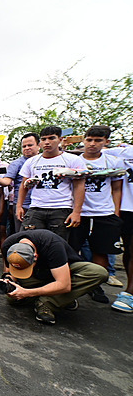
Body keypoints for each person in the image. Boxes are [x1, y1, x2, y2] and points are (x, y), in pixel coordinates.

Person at [0, 229, 108, 325]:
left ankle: (48, 302)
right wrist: (8, 280)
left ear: (35, 256)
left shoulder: (52, 244)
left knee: (98, 273)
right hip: (39, 273)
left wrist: (27, 293)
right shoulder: (8, 245)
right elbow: (10, 271)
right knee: (13, 298)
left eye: (25, 269)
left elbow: (64, 285)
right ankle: (63, 297)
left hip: (64, 271)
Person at [68, 126, 124, 303]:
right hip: (78, 212)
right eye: (89, 139)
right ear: (83, 140)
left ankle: (95, 286)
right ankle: (70, 287)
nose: (92, 144)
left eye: (98, 140)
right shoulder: (74, 161)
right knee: (71, 250)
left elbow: (117, 188)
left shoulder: (113, 162)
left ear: (106, 142)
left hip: (104, 213)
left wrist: (115, 213)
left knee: (100, 252)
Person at [16, 126, 86, 241]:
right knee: (27, 243)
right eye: (43, 139)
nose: (47, 142)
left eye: (51, 138)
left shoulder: (73, 160)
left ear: (60, 139)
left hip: (61, 209)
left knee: (57, 246)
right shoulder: (32, 161)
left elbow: (79, 186)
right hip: (36, 208)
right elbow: (24, 185)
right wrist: (19, 206)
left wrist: (76, 212)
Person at [103, 142, 133, 312]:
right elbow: (93, 150)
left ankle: (129, 293)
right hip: (125, 208)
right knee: (127, 250)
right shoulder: (123, 152)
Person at [0, 133, 39, 236]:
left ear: (39, 145)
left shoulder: (44, 161)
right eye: (24, 146)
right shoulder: (16, 163)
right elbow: (6, 182)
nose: (27, 148)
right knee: (22, 235)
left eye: (30, 145)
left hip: (41, 204)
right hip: (23, 205)